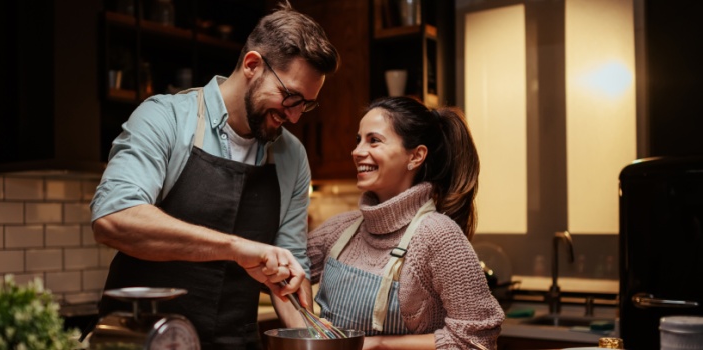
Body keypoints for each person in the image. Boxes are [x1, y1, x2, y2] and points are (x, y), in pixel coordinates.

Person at [89, 1, 339, 348]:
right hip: (142, 340)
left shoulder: (291, 156)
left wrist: (312, 338)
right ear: (253, 65)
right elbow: (114, 218)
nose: (295, 117)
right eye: (290, 97)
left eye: (306, 105)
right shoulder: (166, 119)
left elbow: (289, 270)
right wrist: (237, 248)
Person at [305, 97, 504, 349]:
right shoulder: (341, 229)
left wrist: (379, 344)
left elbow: (478, 340)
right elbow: (278, 273)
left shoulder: (438, 236)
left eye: (373, 140)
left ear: (416, 156)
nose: (356, 152)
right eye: (359, 140)